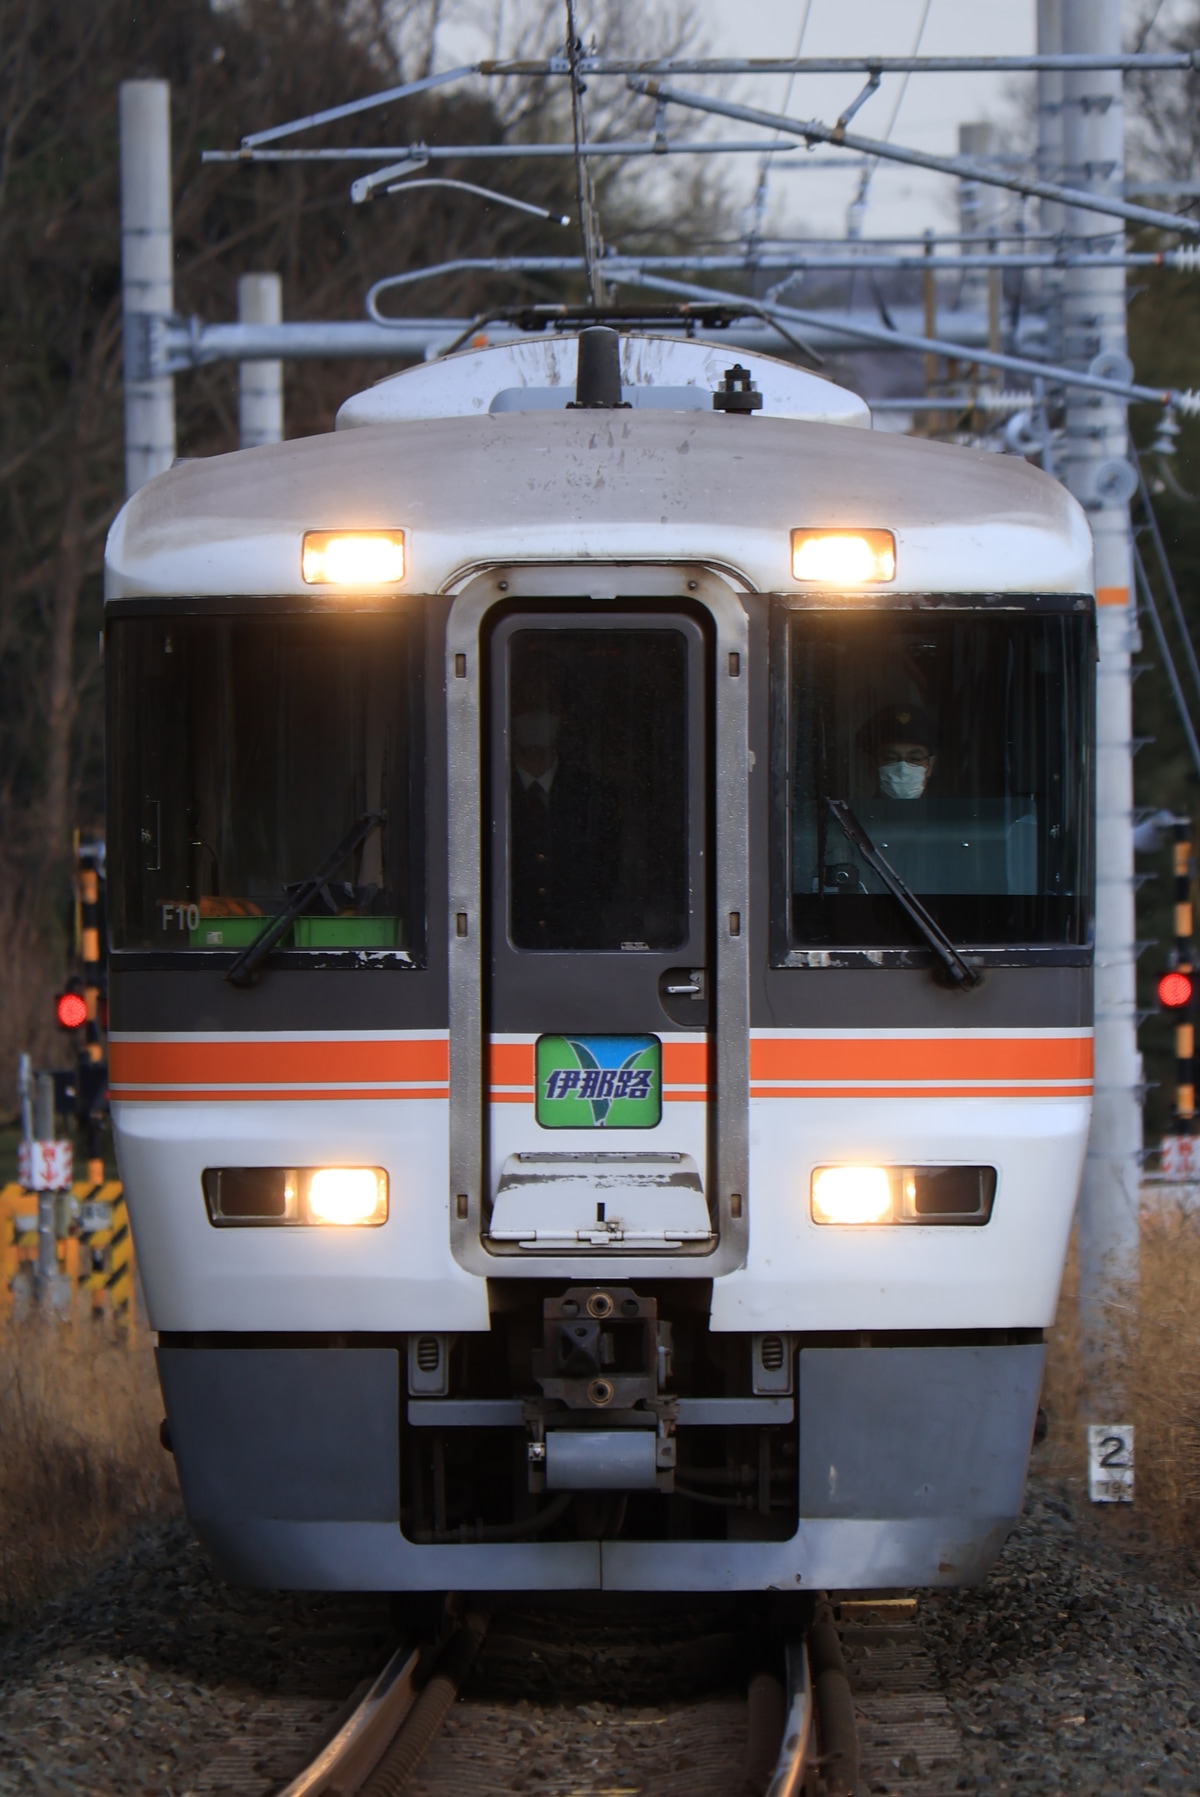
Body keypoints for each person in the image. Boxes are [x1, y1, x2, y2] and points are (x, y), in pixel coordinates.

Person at [507, 644, 619, 948]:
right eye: (526, 704)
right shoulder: (487, 797)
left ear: (565, 716)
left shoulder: (595, 798)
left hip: (581, 947)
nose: (537, 714)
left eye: (548, 705)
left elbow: (608, 884)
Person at [856, 702, 938, 802]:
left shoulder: (946, 815)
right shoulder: (859, 815)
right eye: (890, 759)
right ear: (873, 764)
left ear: (930, 766)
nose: (902, 769)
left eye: (914, 759)